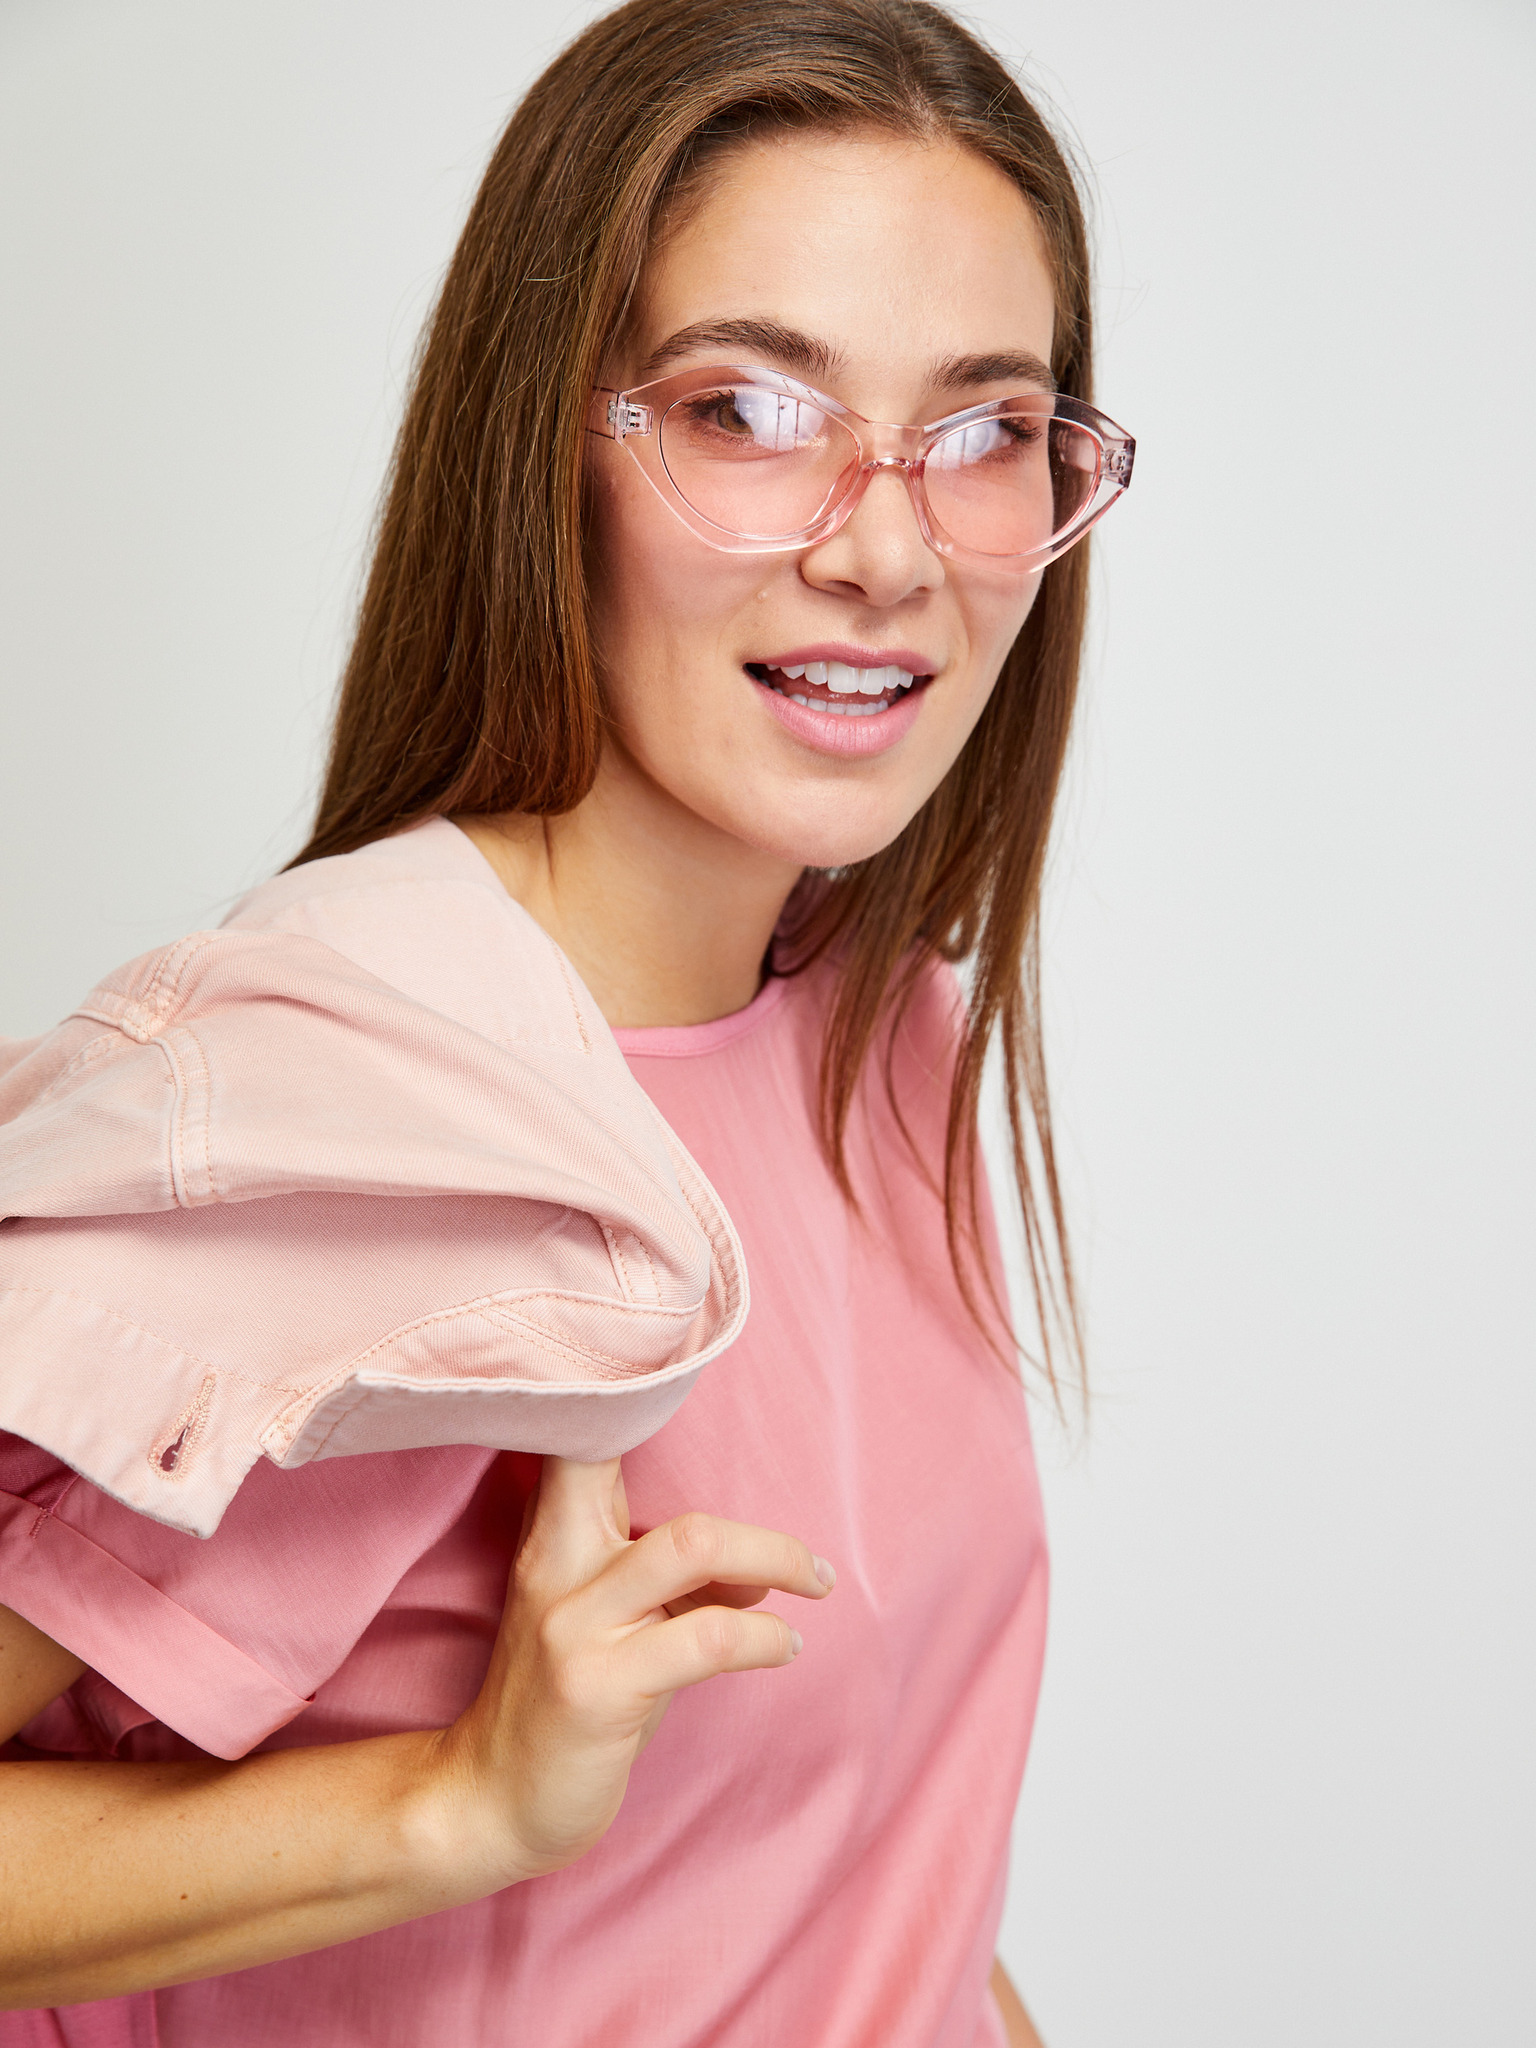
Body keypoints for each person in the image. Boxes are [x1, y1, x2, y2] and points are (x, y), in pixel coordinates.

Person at [0, 0, 1133, 2040]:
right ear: (549, 444)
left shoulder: (882, 1027)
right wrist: (454, 1803)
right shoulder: (350, 1104)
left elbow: (879, 1882)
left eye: (983, 432)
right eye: (748, 410)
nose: (889, 551)